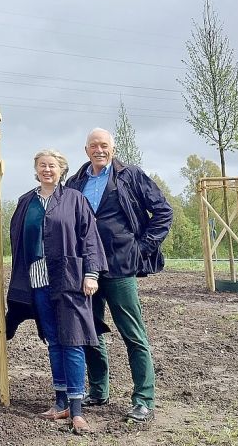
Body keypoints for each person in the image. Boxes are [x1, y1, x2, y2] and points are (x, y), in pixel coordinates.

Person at [64, 128, 172, 423]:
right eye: (93, 146)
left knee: (132, 333)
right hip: (87, 270)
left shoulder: (131, 175)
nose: (99, 150)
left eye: (104, 145)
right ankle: (99, 391)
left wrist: (142, 248)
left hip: (121, 267)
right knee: (92, 332)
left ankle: (144, 399)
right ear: (85, 150)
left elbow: (163, 212)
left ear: (112, 148)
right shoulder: (75, 182)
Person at [5, 149, 108, 435]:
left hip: (70, 280)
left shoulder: (75, 199)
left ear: (61, 170)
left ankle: (76, 410)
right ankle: (60, 401)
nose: (47, 170)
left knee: (72, 341)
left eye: (52, 166)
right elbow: (17, 240)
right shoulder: (26, 202)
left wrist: (91, 273)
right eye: (42, 166)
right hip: (37, 280)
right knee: (53, 341)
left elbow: (89, 238)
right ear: (36, 170)